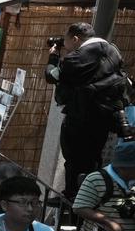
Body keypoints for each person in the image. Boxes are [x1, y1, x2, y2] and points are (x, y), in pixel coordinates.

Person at [45, 22, 128, 199]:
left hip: (80, 118)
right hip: (104, 119)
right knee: (93, 160)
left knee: (74, 160)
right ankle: (89, 197)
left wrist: (53, 57)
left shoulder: (76, 58)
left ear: (75, 38)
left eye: (66, 40)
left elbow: (51, 76)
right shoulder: (113, 50)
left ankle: (73, 198)